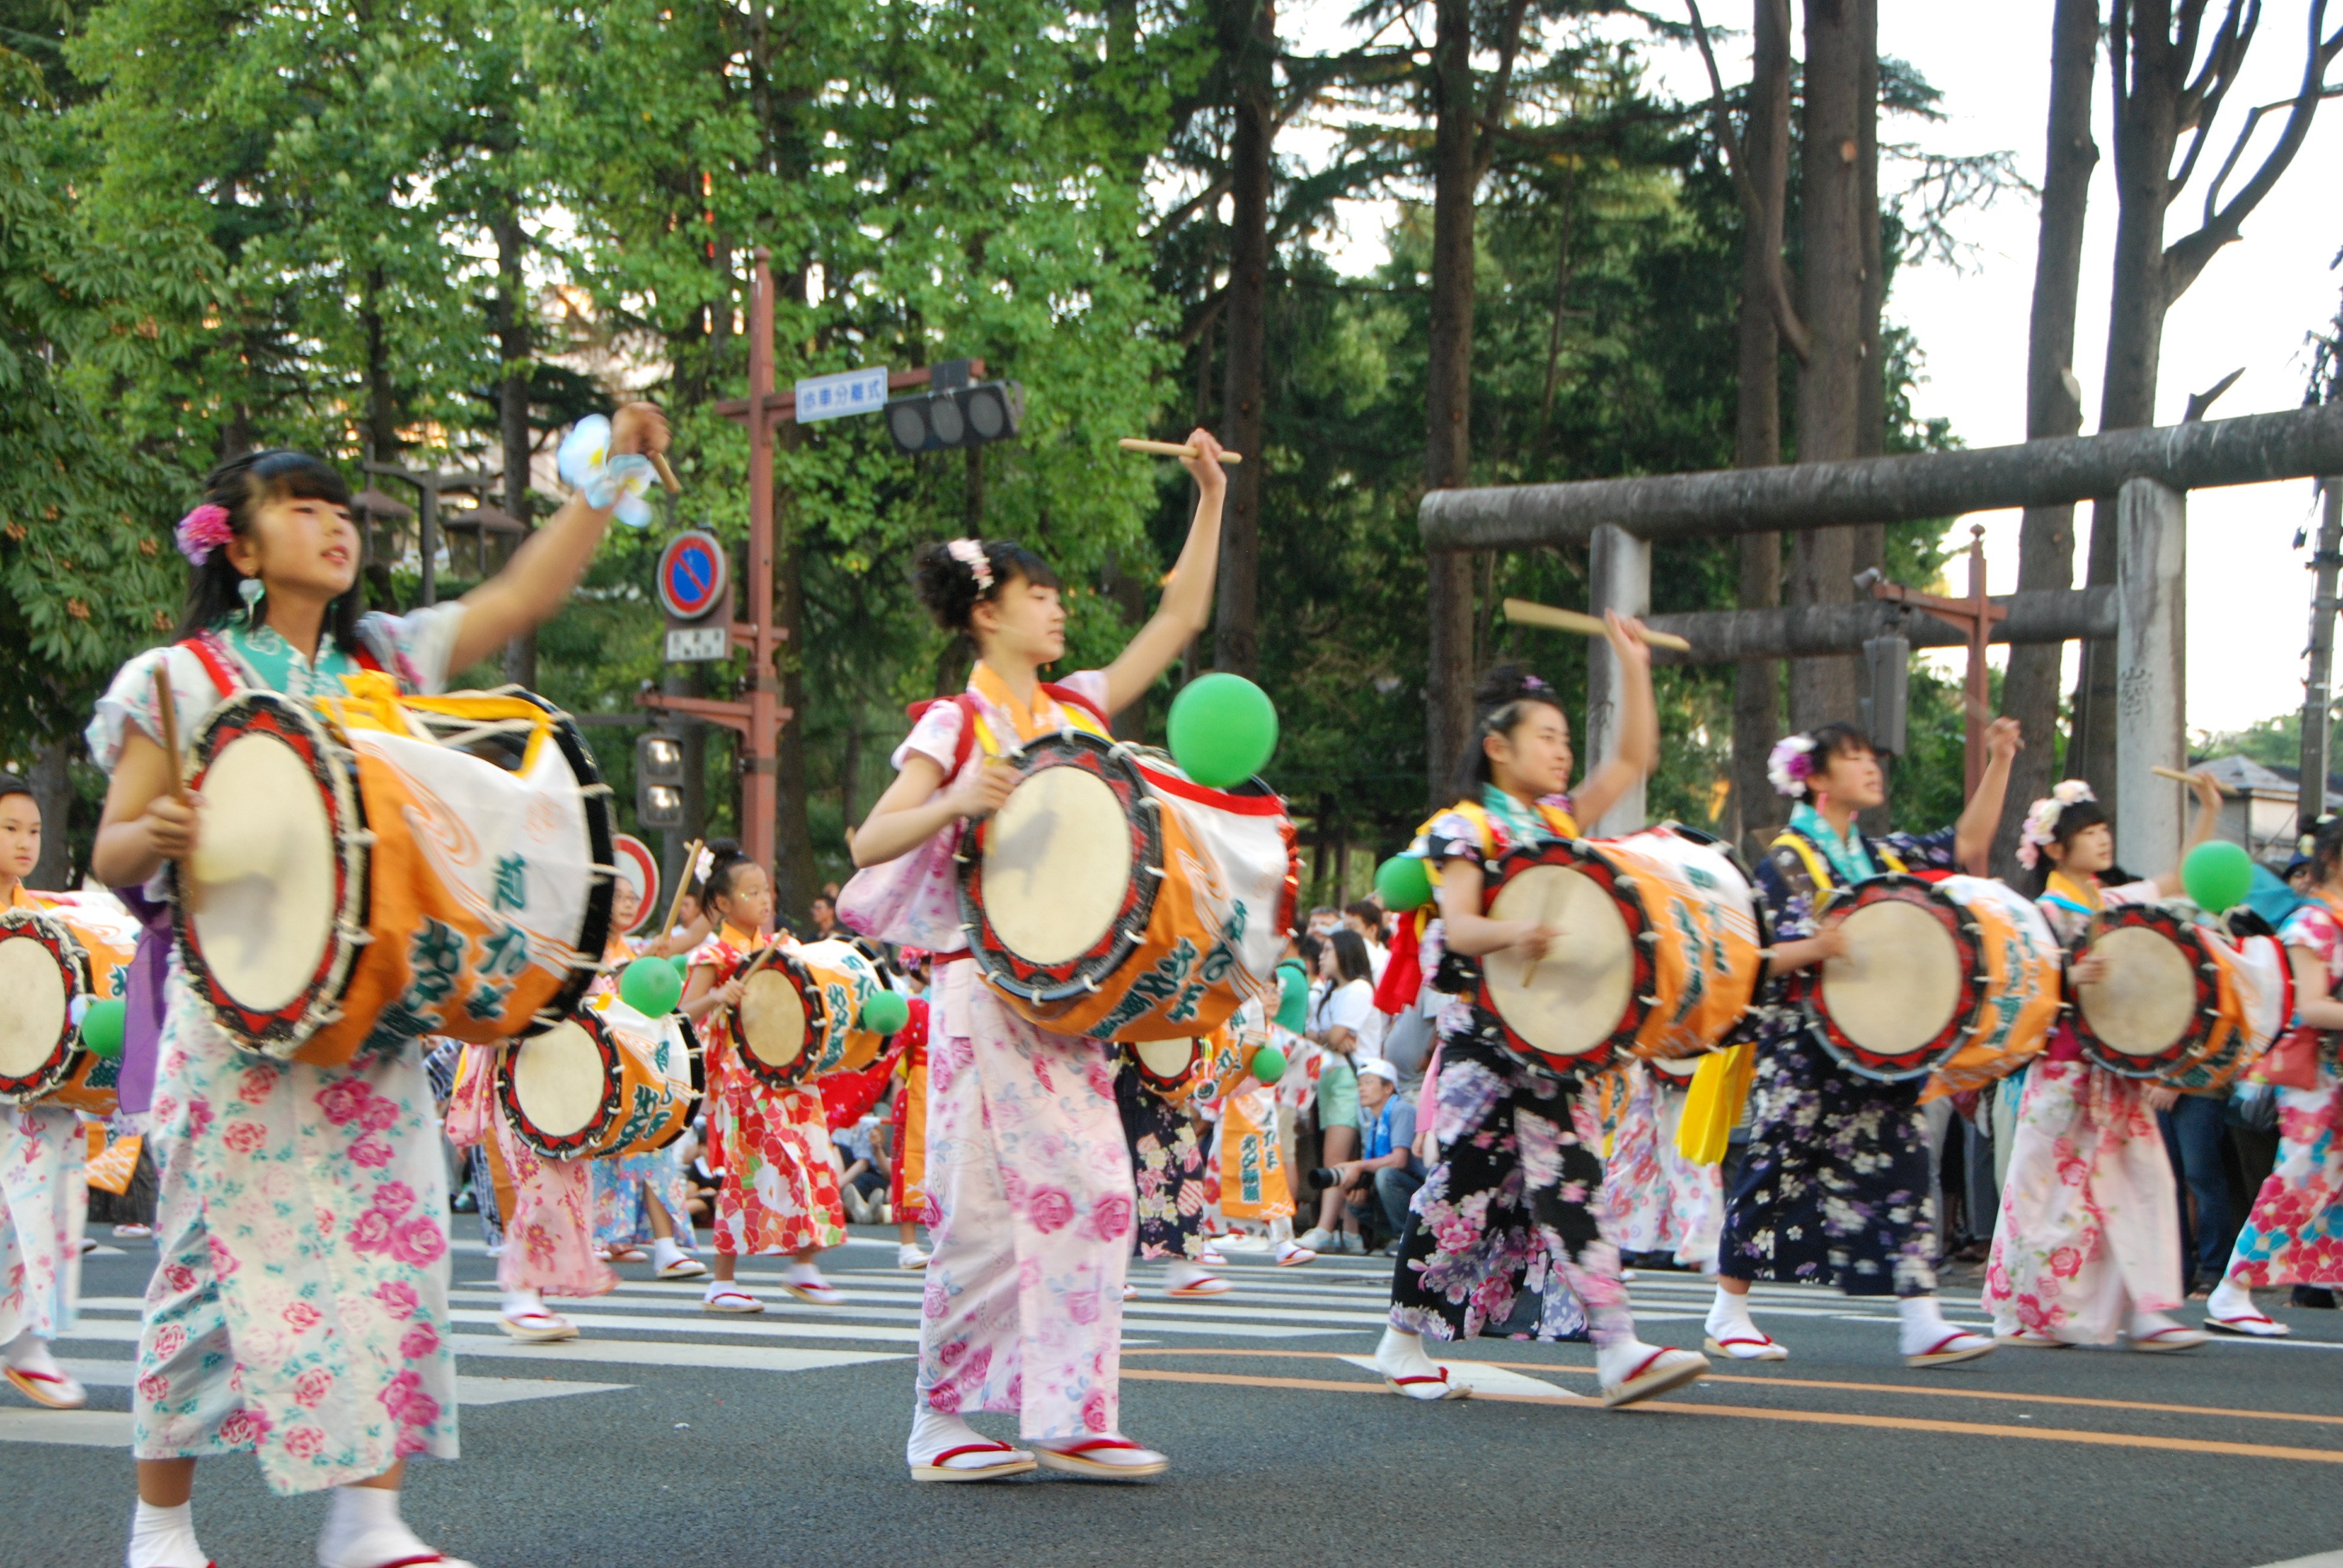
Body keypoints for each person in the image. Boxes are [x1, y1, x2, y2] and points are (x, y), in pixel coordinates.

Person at [90, 413, 665, 1568]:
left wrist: (607, 488)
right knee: (207, 1260)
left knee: (394, 1254)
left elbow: (518, 596)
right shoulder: (176, 680)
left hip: (375, 1016)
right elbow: (111, 855)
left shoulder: (384, 661)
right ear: (238, 550)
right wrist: (150, 830)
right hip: (238, 1018)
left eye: (343, 510)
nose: (333, 525)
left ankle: (367, 1520)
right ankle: (161, 1529)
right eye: (301, 507)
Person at [850, 428, 1227, 1483]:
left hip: (1066, 1000)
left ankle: (1069, 1411)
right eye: (1040, 593)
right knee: (977, 1208)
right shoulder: (953, 721)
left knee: (1101, 1187)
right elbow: (867, 840)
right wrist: (956, 797)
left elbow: (1178, 618)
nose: (1059, 609)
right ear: (987, 611)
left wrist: (1207, 497)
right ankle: (942, 1420)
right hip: (980, 984)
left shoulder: (1074, 709)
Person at [1376, 641, 1707, 1409]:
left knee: (1576, 1184)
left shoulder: (1559, 821)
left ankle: (1618, 1349)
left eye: (1565, 740)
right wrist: (1512, 933)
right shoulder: (1463, 829)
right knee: (1463, 1189)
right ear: (1497, 747)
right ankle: (1400, 1340)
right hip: (1481, 1046)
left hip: (1555, 1044)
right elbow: (1458, 928)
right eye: (1546, 739)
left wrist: (1632, 665)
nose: (1562, 754)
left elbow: (1631, 758)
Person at [1706, 717, 2021, 1369]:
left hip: (1875, 1044)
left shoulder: (1880, 857)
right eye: (1852, 758)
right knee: (1776, 1166)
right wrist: (1817, 947)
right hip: (1802, 1045)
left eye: (1870, 755)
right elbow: (1751, 959)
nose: (1871, 766)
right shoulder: (1788, 859)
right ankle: (1726, 1310)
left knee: (1903, 1165)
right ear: (1815, 779)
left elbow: (1965, 841)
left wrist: (1998, 759)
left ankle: (1920, 1320)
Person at [1983, 775, 2221, 1350]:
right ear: (2056, 850)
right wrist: (2065, 976)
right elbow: (2012, 984)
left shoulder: (2109, 901)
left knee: (2143, 1182)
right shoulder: (2038, 912)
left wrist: (2208, 810)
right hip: (2063, 1070)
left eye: (2103, 829)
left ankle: (2149, 1310)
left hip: (2116, 1072)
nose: (2103, 839)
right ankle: (2024, 1311)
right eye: (2089, 832)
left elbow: (2179, 880)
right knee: (2047, 1193)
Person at [679, 844, 847, 1313]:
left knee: (815, 1160)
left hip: (793, 1075)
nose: (764, 900)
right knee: (745, 1172)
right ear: (725, 905)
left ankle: (804, 1264)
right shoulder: (714, 953)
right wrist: (717, 997)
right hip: (743, 1080)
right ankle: (722, 1280)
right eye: (750, 893)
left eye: (766, 891)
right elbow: (682, 1014)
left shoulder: (785, 948)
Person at [2206, 812, 2343, 1336]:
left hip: (2331, 1074)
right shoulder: (2314, 923)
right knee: (2300, 1180)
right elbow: (2311, 1007)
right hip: (2315, 1077)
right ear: (2331, 859)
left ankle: (2235, 1288)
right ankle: (2232, 1287)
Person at [0, 777, 90, 1413]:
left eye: (33, 830)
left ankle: (29, 1343)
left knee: (43, 1208)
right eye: (10, 829)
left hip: (31, 1098)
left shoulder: (47, 918)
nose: (25, 842)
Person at [1296, 929, 1371, 1253]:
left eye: (1328, 950)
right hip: (1328, 1076)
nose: (1322, 956)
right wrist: (1329, 1036)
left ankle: (1325, 1227)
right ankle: (1350, 1230)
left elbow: (1338, 1034)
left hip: (1349, 1078)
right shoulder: (1329, 993)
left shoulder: (1359, 989)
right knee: (1343, 1154)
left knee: (1336, 1156)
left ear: (1345, 953)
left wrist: (1325, 1035)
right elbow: (1326, 1035)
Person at [1332, 1058, 1421, 1249]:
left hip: (1420, 1188)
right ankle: (1397, 1238)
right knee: (1355, 1197)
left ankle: (1405, 1239)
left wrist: (1357, 1165)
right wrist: (1361, 1186)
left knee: (1386, 1175)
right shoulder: (1375, 1120)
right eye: (1360, 1084)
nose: (1362, 1089)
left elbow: (1399, 1161)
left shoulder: (1400, 1110)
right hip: (1403, 1186)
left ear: (1388, 1088)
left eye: (1369, 1082)